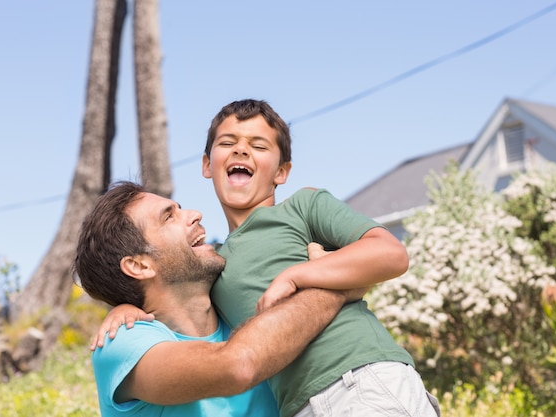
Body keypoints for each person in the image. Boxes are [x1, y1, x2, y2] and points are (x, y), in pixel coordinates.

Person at [99, 99, 440, 416]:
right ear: (207, 164)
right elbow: (177, 302)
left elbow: (390, 253)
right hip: (301, 405)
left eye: (259, 146)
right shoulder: (214, 265)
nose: (242, 149)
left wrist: (298, 276)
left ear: (281, 173)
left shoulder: (303, 207)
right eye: (228, 142)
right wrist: (128, 308)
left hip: (360, 378)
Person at [74, 181, 366, 417]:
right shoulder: (120, 343)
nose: (195, 213)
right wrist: (333, 286)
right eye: (169, 216)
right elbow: (238, 366)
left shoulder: (244, 312)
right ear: (139, 266)